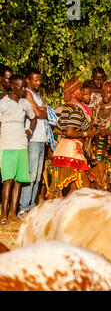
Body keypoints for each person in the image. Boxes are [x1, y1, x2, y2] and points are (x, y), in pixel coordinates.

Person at [49, 79, 96, 198]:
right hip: (72, 152)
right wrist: (87, 134)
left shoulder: (65, 108)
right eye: (80, 90)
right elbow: (69, 132)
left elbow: (59, 129)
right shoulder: (76, 110)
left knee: (66, 191)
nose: (82, 92)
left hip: (60, 151)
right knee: (84, 190)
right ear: (74, 93)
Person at [0, 75, 36, 225]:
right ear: (12, 87)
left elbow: (33, 118)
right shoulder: (2, 103)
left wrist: (29, 131)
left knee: (18, 182)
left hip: (22, 145)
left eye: (24, 86)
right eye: (21, 87)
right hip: (7, 145)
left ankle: (13, 214)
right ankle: (3, 216)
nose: (24, 89)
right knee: (7, 180)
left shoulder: (25, 103)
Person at [18, 68, 49, 216]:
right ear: (28, 80)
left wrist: (43, 111)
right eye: (35, 80)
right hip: (33, 139)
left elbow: (45, 112)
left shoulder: (36, 95)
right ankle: (23, 207)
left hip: (41, 139)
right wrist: (43, 111)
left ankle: (31, 205)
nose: (38, 83)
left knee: (37, 175)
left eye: (39, 80)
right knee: (30, 174)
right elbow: (38, 113)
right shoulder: (27, 94)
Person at [91, 81, 111, 191]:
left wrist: (109, 133)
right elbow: (91, 128)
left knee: (108, 181)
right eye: (103, 92)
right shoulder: (96, 110)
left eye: (108, 92)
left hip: (110, 152)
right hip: (95, 151)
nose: (105, 94)